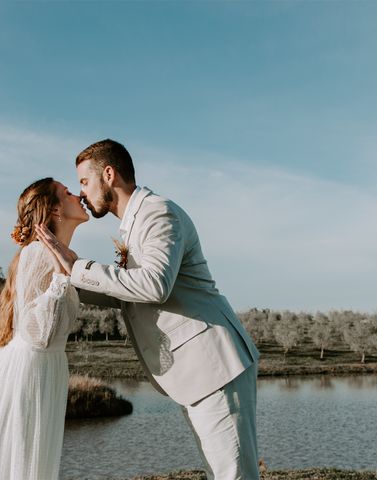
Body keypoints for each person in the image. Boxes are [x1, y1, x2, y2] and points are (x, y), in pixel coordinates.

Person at [36, 139, 261, 479]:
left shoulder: (158, 212)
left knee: (233, 474)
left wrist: (79, 267)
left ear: (108, 174)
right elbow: (130, 293)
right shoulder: (133, 223)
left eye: (84, 181)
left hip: (215, 364)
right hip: (200, 371)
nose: (81, 192)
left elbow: (154, 285)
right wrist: (64, 283)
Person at [0, 177, 89, 480]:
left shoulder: (54, 254)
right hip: (25, 377)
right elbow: (37, 335)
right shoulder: (38, 253)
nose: (78, 194)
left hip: (40, 372)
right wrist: (63, 278)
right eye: (67, 192)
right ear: (54, 208)